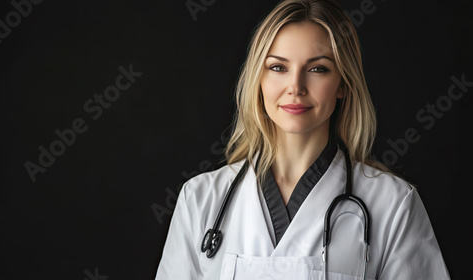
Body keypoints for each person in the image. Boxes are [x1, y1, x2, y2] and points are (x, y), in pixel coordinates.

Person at [155, 0, 450, 279]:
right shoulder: (200, 199)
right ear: (259, 80)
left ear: (343, 84)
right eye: (278, 67)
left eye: (317, 69)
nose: (295, 86)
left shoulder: (393, 203)